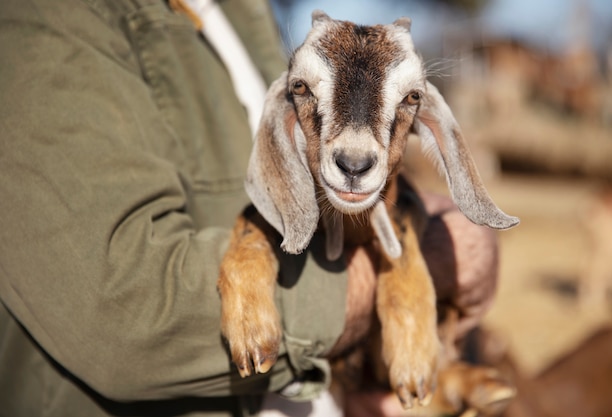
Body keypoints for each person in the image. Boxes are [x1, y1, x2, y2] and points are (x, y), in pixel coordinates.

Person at [0, 0, 500, 416]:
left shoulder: (246, 9)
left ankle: (445, 376)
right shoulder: (51, 18)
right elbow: (120, 311)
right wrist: (424, 262)